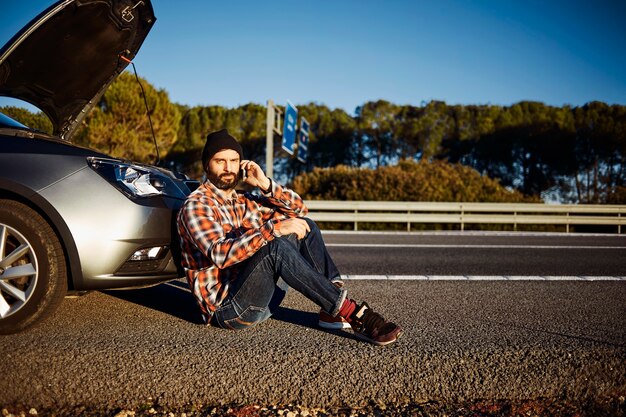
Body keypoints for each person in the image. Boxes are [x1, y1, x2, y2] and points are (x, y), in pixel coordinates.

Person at [177, 129, 402, 346]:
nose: (228, 168)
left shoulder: (246, 201)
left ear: (241, 164)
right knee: (275, 244)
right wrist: (274, 229)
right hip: (230, 310)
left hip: (261, 299)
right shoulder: (196, 205)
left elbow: (300, 211)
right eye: (220, 161)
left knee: (305, 226)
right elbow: (221, 254)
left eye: (233, 160)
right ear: (207, 165)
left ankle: (330, 310)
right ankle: (352, 313)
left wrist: (265, 185)